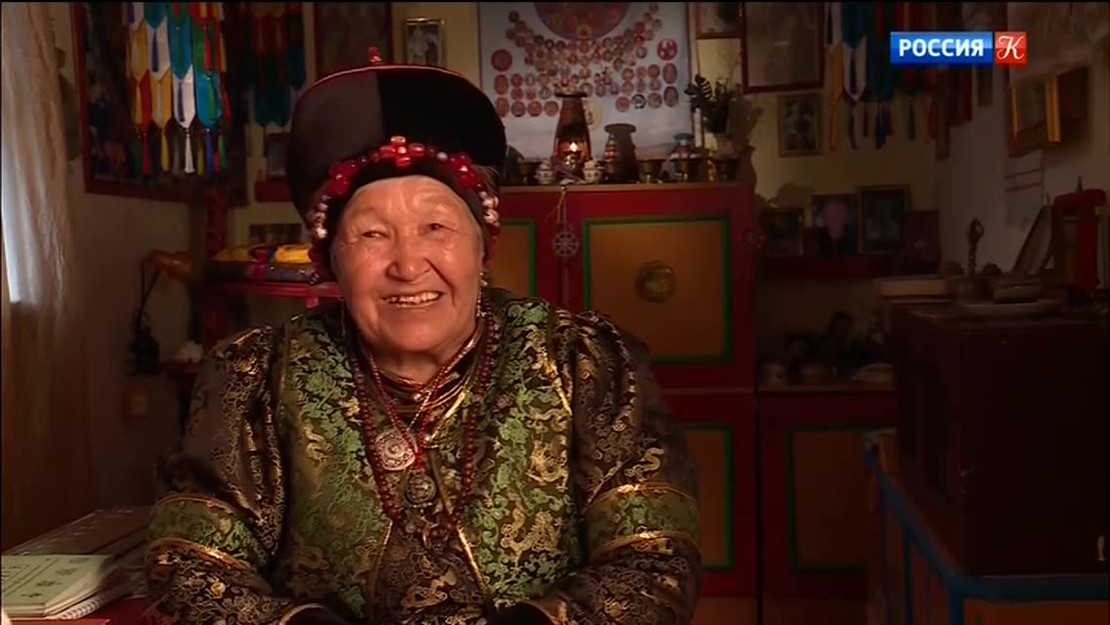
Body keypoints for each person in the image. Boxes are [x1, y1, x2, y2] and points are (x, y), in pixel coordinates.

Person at [143, 49, 702, 625]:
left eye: (436, 227)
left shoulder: (582, 363)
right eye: (372, 234)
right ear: (330, 260)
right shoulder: (258, 377)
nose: (408, 266)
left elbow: (653, 560)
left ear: (482, 245)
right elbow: (187, 564)